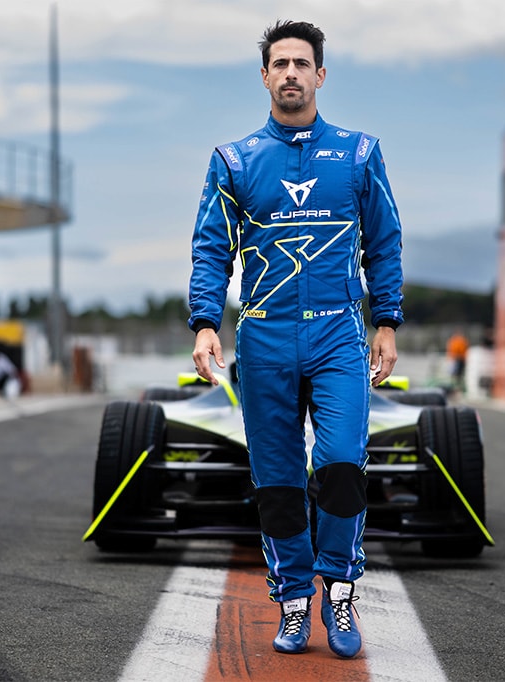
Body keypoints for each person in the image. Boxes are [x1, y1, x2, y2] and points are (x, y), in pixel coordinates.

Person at [188, 20, 404, 659]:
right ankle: (291, 600)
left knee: (340, 464)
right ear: (264, 76)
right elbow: (209, 249)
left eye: (300, 63)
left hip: (339, 332)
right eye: (278, 63)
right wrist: (205, 322)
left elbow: (384, 243)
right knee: (279, 481)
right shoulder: (233, 159)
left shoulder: (361, 153)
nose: (289, 73)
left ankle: (339, 589)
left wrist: (385, 322)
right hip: (263, 338)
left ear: (320, 75)